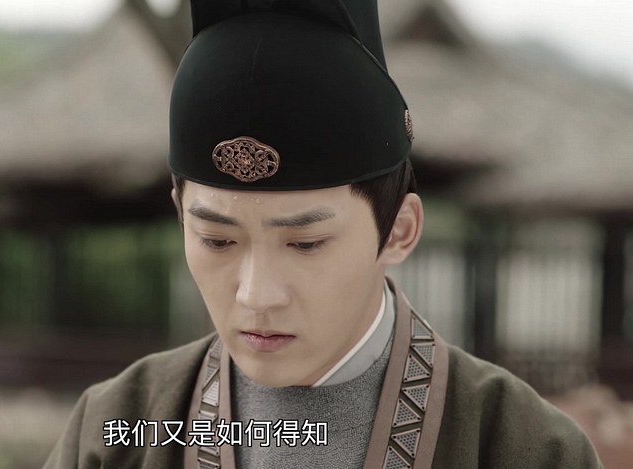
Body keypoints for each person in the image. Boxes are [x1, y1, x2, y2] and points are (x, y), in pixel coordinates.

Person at [44, 1, 602, 467]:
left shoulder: (522, 445)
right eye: (217, 240)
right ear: (179, 215)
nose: (256, 295)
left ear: (399, 230)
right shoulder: (120, 426)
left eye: (305, 243)